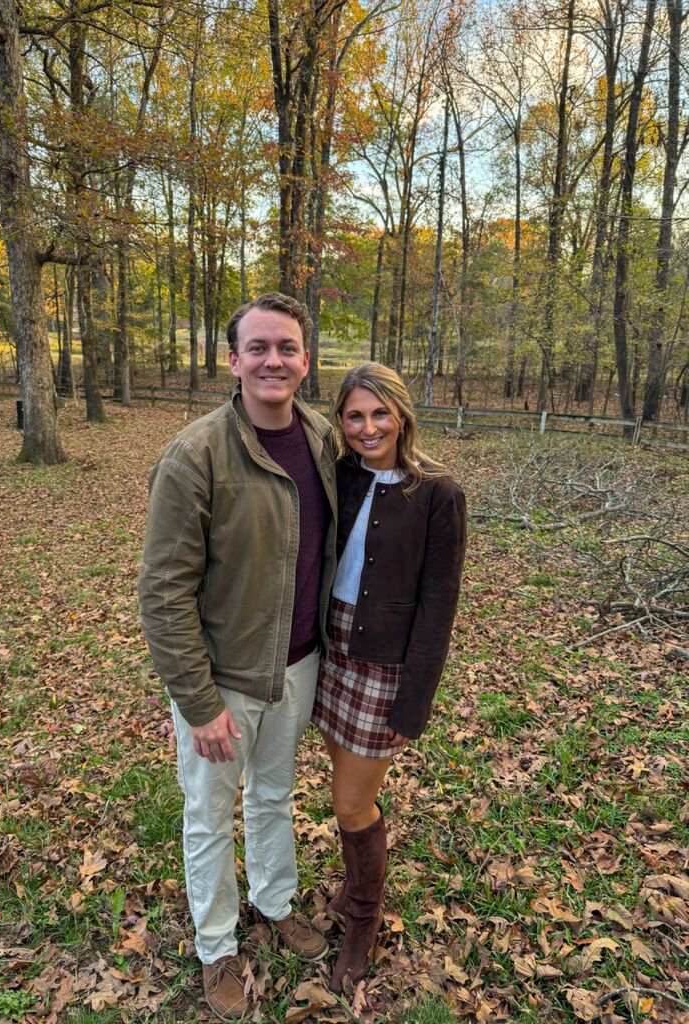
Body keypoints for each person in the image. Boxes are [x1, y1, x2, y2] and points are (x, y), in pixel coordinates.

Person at [138, 293, 337, 1021]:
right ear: (233, 360)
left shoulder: (321, 440)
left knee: (275, 796)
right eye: (258, 348)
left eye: (286, 347)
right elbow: (162, 593)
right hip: (222, 680)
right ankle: (218, 945)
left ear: (305, 362)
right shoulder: (196, 456)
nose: (272, 360)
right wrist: (199, 701)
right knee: (209, 813)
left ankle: (275, 901)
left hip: (298, 666)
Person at [311, 362, 466, 995]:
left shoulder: (436, 493)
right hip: (329, 649)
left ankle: (363, 919)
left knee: (350, 801)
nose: (368, 427)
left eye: (380, 413)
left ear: (401, 415)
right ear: (341, 423)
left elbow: (439, 603)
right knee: (342, 783)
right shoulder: (337, 476)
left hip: (385, 663)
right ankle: (356, 881)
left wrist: (414, 704)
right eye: (354, 415)